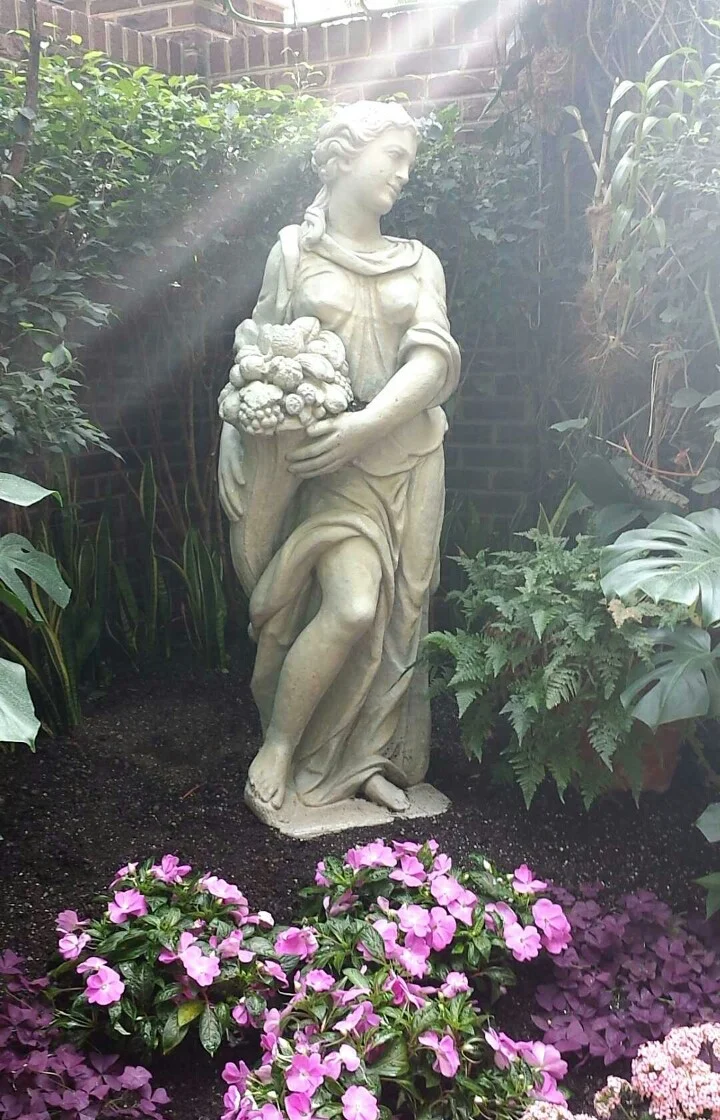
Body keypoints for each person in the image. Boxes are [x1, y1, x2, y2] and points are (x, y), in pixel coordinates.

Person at [218, 100, 460, 818]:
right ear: (346, 155)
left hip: (411, 460)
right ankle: (282, 746)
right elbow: (258, 350)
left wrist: (364, 426)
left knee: (401, 617)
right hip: (328, 468)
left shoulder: (419, 261)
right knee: (353, 606)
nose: (403, 173)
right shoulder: (294, 252)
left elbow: (433, 364)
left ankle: (364, 763)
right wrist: (237, 435)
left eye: (410, 161)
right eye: (394, 156)